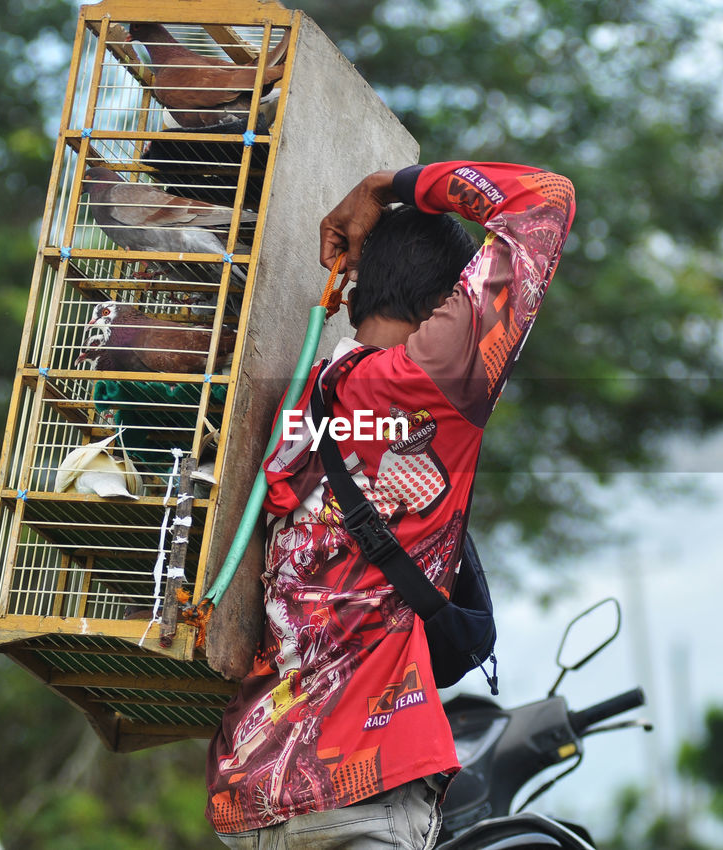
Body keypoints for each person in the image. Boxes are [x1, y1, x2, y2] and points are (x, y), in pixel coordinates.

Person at [205, 160, 575, 848]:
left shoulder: (296, 404)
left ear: (352, 301)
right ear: (449, 302)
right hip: (361, 786)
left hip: (251, 792)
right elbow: (543, 199)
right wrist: (387, 185)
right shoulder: (433, 379)